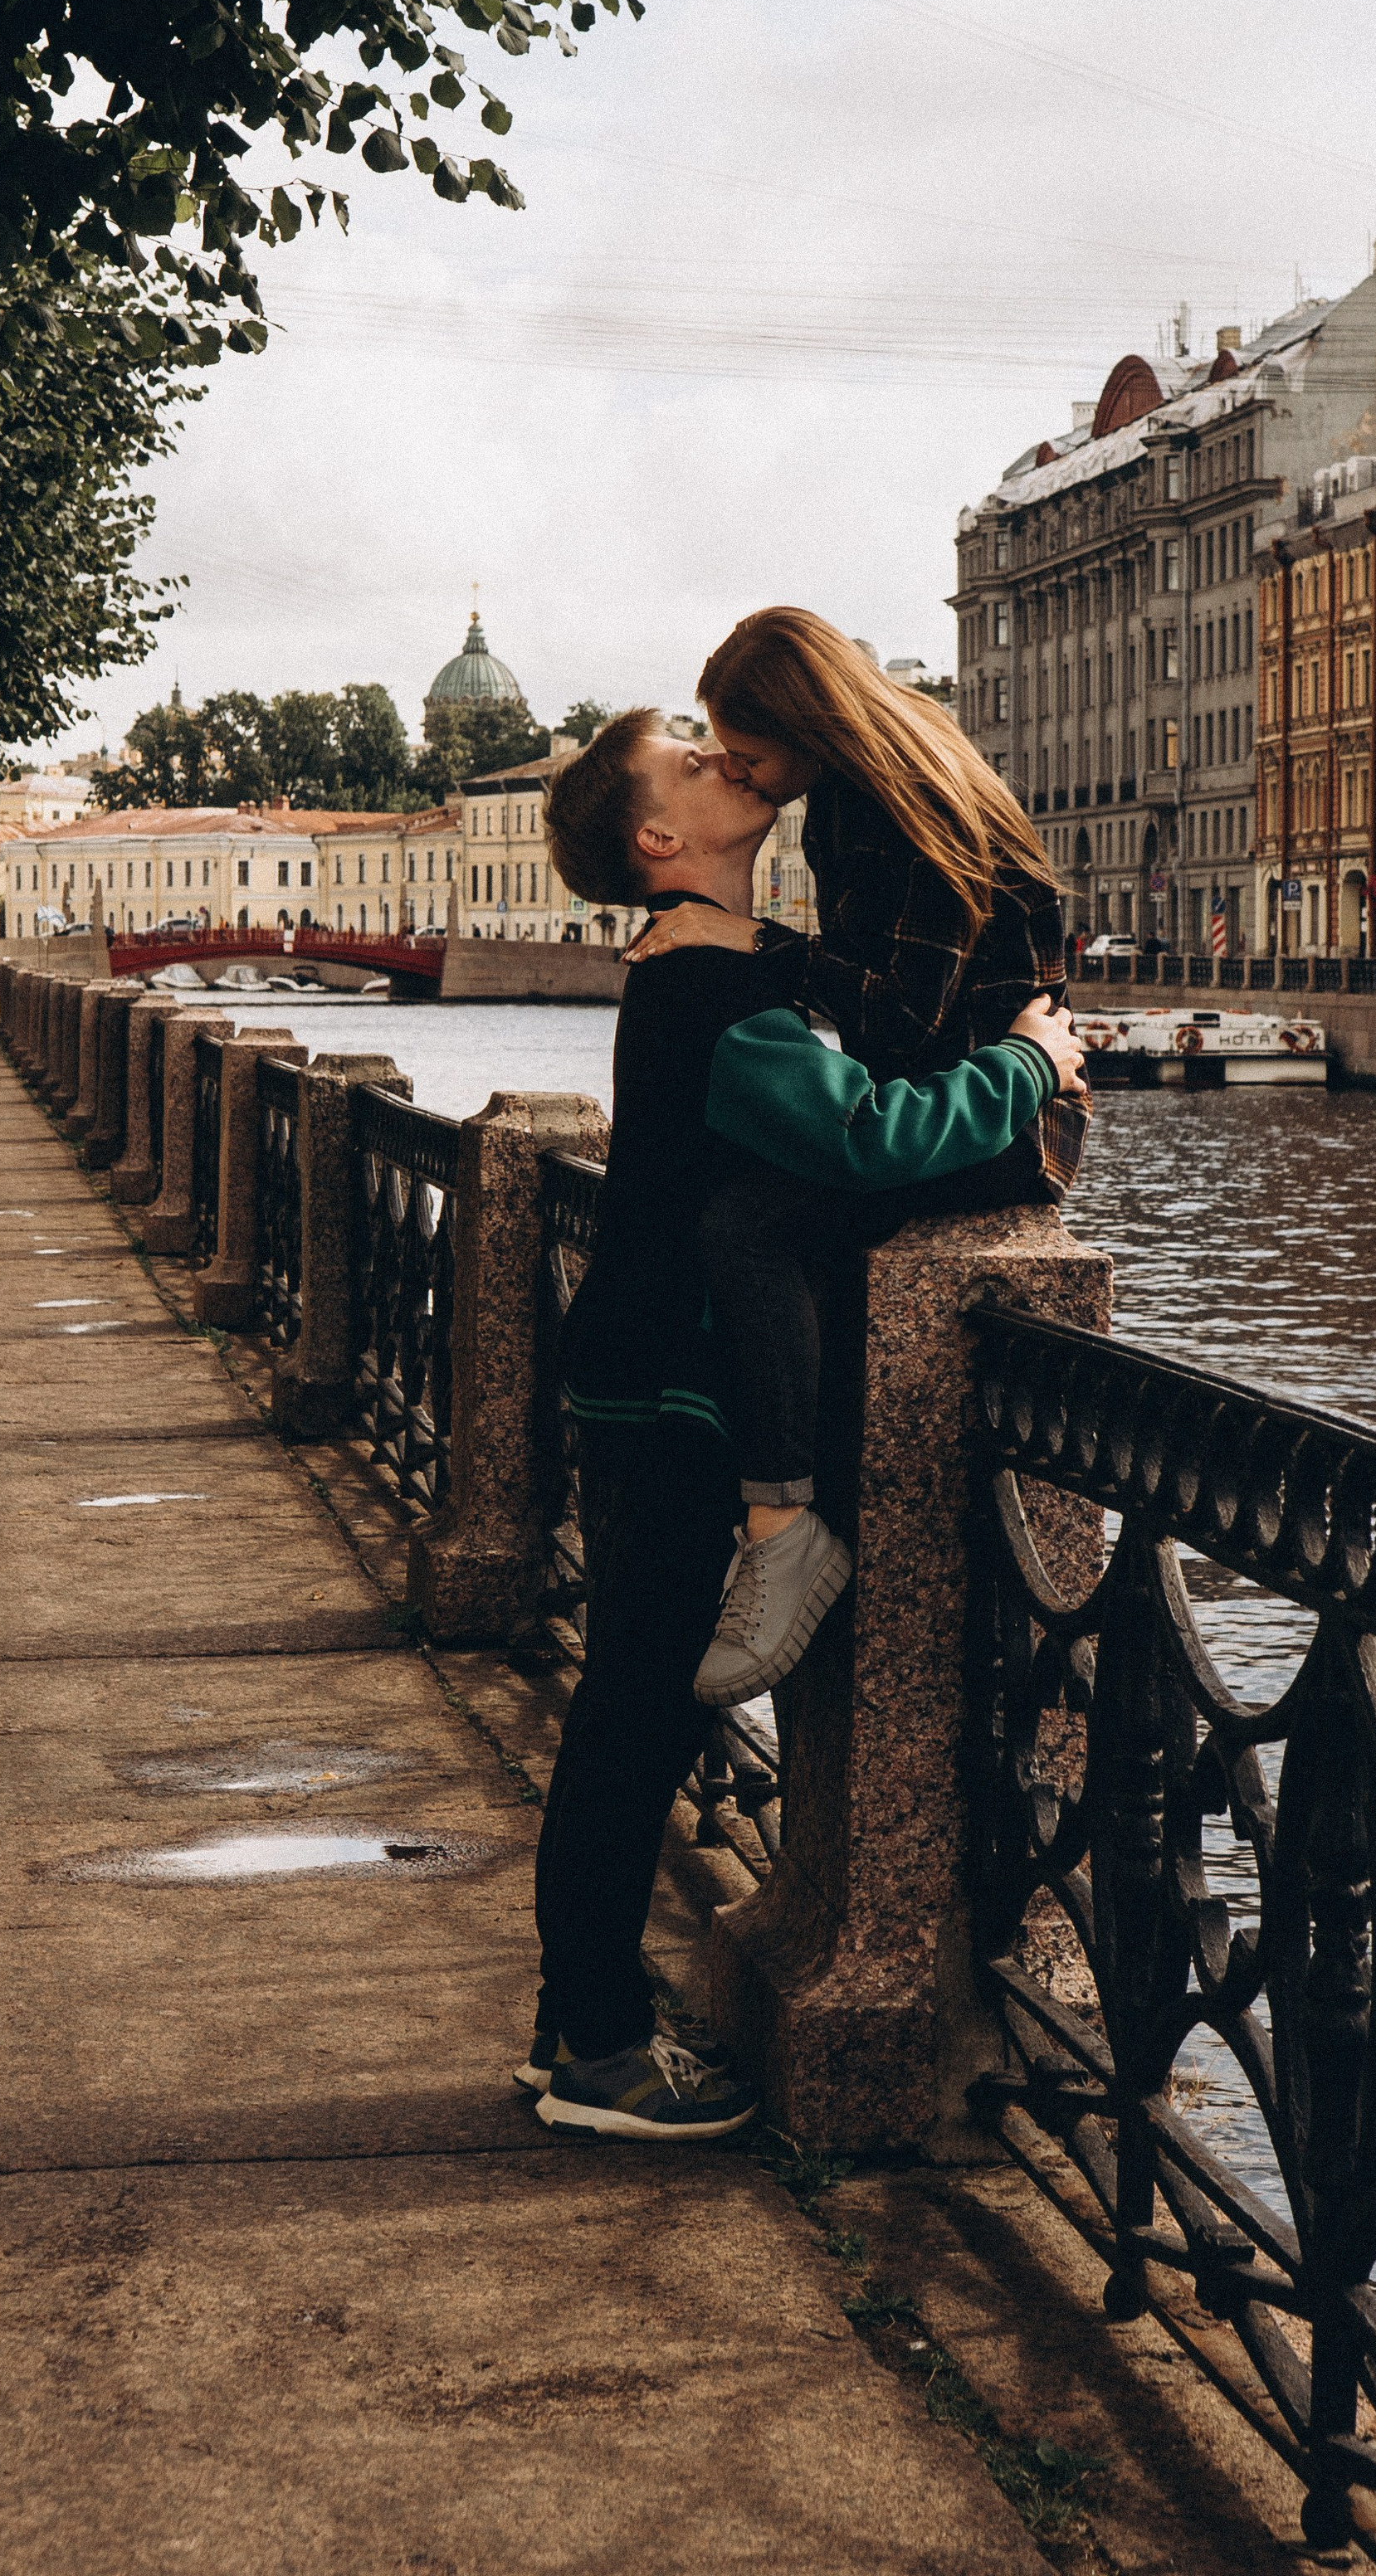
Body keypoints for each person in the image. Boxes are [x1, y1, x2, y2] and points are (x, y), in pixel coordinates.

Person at [528, 711, 1083, 2142]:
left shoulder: (713, 963)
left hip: (643, 1372)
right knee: (634, 1717)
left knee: (629, 1708)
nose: (727, 758)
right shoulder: (711, 992)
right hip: (666, 1391)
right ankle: (593, 2047)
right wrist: (1027, 1063)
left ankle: (575, 2023)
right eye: (691, 756)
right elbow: (867, 1138)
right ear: (660, 841)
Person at [622, 611, 1080, 1705]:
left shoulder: (899, 811)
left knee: (747, 1225)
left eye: (750, 754)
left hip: (997, 1124)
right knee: (758, 1210)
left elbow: (906, 1020)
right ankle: (782, 1514)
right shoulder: (863, 788)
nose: (741, 773)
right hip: (966, 1101)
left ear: (810, 727)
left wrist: (756, 947)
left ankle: (784, 1530)